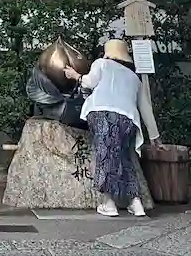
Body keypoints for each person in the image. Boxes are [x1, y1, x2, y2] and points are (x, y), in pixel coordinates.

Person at [64, 39, 161, 217]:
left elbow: (89, 83)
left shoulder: (101, 64)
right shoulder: (134, 77)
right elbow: (146, 108)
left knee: (105, 155)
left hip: (103, 114)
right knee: (124, 157)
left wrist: (75, 75)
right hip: (128, 119)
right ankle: (136, 203)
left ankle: (109, 203)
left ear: (108, 52)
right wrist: (155, 136)